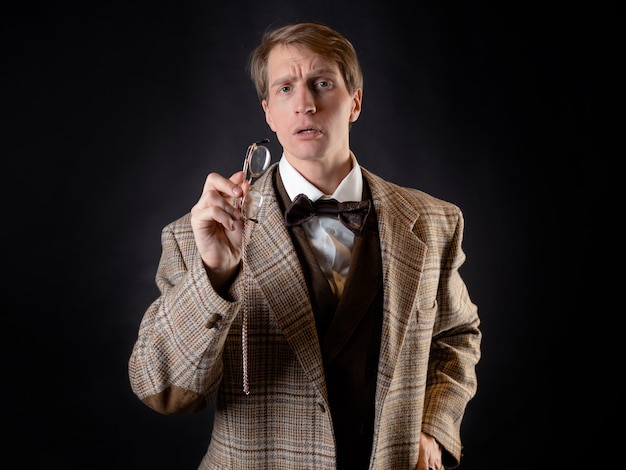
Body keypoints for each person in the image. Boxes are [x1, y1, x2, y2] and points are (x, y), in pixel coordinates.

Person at [128, 21, 481, 470]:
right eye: (285, 88)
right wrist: (215, 275)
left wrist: (434, 426)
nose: (305, 105)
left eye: (322, 84)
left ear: (354, 102)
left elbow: (455, 337)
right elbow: (161, 390)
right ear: (268, 113)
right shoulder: (196, 236)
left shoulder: (434, 222)